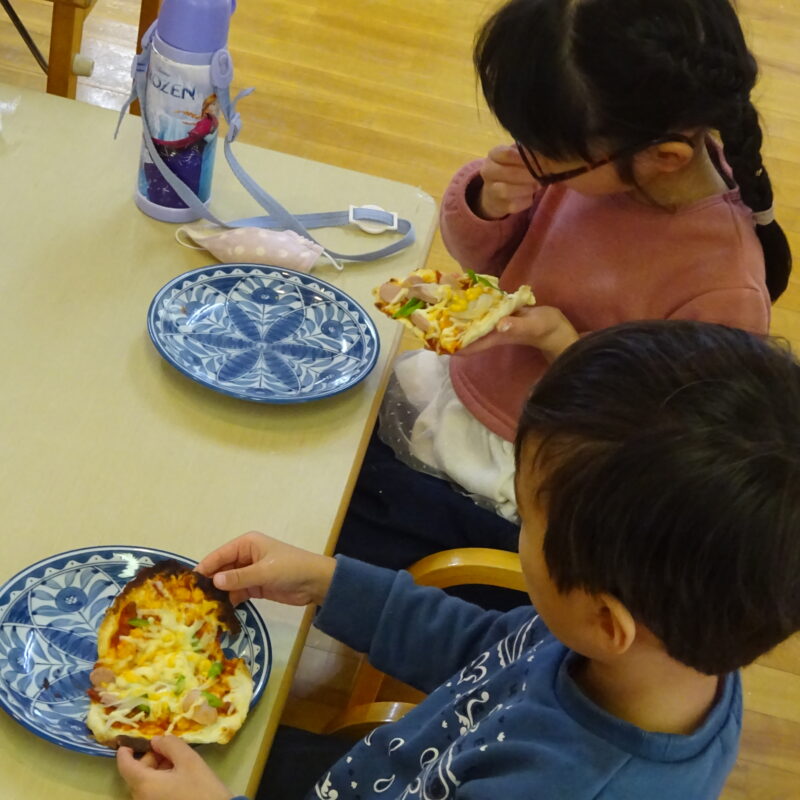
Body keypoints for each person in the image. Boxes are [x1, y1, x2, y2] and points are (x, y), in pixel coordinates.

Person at [116, 320, 800, 800]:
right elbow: (483, 649)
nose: (517, 530)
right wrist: (328, 581)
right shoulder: (655, 650)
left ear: (606, 619)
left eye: (527, 520)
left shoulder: (566, 786)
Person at [334, 0, 793, 575]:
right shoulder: (596, 158)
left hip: (532, 486)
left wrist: (565, 348)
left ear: (666, 157)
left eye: (546, 157)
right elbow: (487, 252)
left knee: (332, 523)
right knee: (323, 456)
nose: (529, 160)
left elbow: (661, 453)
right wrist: (486, 201)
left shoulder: (723, 286)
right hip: (456, 401)